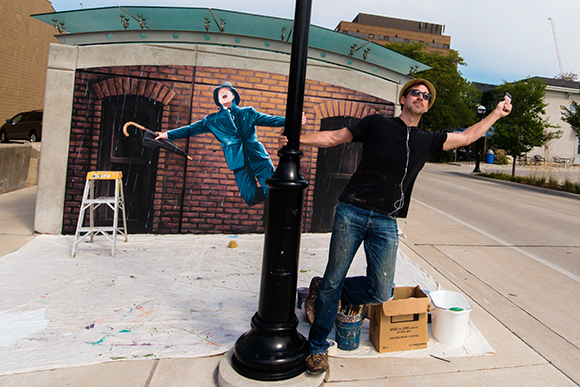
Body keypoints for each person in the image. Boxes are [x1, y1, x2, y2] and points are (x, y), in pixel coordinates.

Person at [279, 78, 512, 374]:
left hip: (386, 221)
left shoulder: (427, 140)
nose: (421, 98)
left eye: (426, 96)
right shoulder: (377, 124)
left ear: (427, 107)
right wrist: (298, 139)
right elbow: (335, 137)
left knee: (380, 291)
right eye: (416, 93)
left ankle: (324, 290)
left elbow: (466, 137)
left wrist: (496, 114)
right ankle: (317, 348)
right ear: (403, 99)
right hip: (352, 210)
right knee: (335, 277)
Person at [157, 81, 304, 207]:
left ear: (233, 95)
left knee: (270, 189)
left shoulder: (248, 112)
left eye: (226, 91)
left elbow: (271, 120)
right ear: (218, 100)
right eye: (219, 93)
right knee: (250, 197)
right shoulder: (211, 120)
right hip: (237, 161)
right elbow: (190, 130)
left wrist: (294, 119)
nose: (222, 93)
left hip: (258, 156)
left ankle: (272, 212)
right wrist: (167, 135)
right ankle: (275, 194)